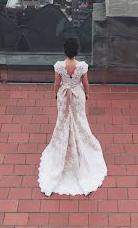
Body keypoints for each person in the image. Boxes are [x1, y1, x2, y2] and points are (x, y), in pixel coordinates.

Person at [38, 37, 107, 196]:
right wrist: (87, 94)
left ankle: (62, 145)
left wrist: (56, 93)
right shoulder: (82, 66)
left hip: (64, 95)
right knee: (79, 120)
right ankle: (82, 144)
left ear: (64, 51)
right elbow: (86, 83)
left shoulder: (59, 66)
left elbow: (57, 83)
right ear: (76, 51)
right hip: (77, 95)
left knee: (63, 120)